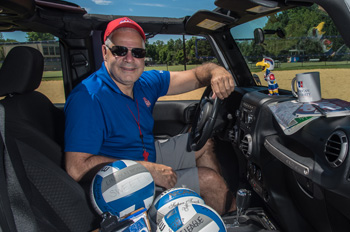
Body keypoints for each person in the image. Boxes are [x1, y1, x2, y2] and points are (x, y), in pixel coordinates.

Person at [64, 17, 236, 215]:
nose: (129, 59)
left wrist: (216, 70)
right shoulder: (88, 97)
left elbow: (198, 76)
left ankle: (204, 211)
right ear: (105, 52)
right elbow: (76, 168)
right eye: (120, 50)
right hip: (124, 182)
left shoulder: (144, 82)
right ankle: (220, 215)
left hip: (145, 154)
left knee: (203, 143)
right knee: (210, 181)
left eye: (138, 52)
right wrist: (146, 170)